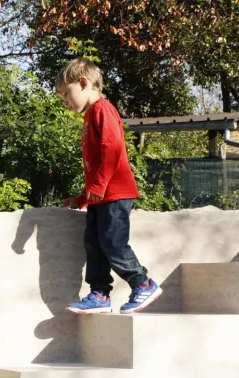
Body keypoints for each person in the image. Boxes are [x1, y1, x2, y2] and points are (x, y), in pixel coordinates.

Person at [57, 57, 162, 315]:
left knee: (112, 242)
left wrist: (101, 185)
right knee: (94, 245)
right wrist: (83, 197)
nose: (65, 102)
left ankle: (143, 283)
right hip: (100, 196)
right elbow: (95, 164)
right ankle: (99, 295)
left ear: (83, 83)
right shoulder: (90, 116)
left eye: (66, 94)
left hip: (115, 193)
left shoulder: (103, 109)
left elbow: (112, 149)